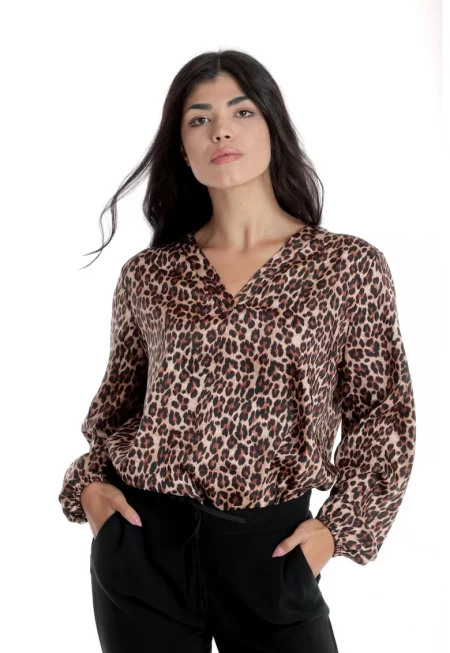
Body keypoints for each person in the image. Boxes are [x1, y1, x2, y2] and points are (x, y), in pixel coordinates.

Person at [58, 49, 416, 653]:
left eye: (241, 111)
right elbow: (117, 410)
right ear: (182, 148)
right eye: (198, 119)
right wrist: (92, 490)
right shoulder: (150, 275)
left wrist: (334, 531)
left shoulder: (346, 266)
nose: (220, 130)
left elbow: (383, 413)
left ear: (273, 126)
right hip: (144, 549)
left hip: (272, 552)